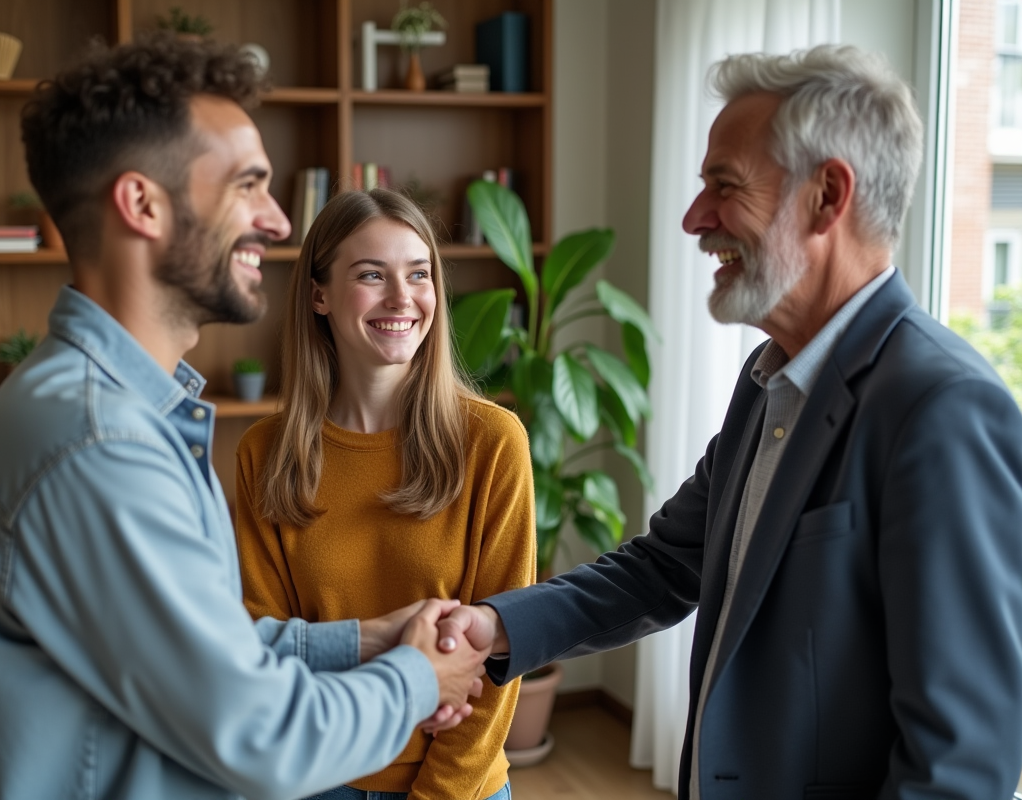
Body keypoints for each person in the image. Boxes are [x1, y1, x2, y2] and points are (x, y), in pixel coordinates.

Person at [438, 43, 1022, 799]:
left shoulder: (943, 410)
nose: (693, 218)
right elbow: (664, 566)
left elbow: (959, 769)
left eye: (724, 185)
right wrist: (497, 627)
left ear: (827, 195)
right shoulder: (767, 381)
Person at [0, 35, 488, 800]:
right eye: (248, 185)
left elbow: (205, 646)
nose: (275, 220)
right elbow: (262, 734)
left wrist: (365, 640)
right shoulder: (100, 445)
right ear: (143, 204)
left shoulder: (128, 413)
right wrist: (417, 676)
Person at [235, 188, 536, 800]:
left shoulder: (493, 442)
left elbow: (501, 657)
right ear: (319, 295)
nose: (403, 299)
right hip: (315, 777)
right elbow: (259, 643)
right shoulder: (264, 454)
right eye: (372, 275)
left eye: (419, 274)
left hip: (458, 786)